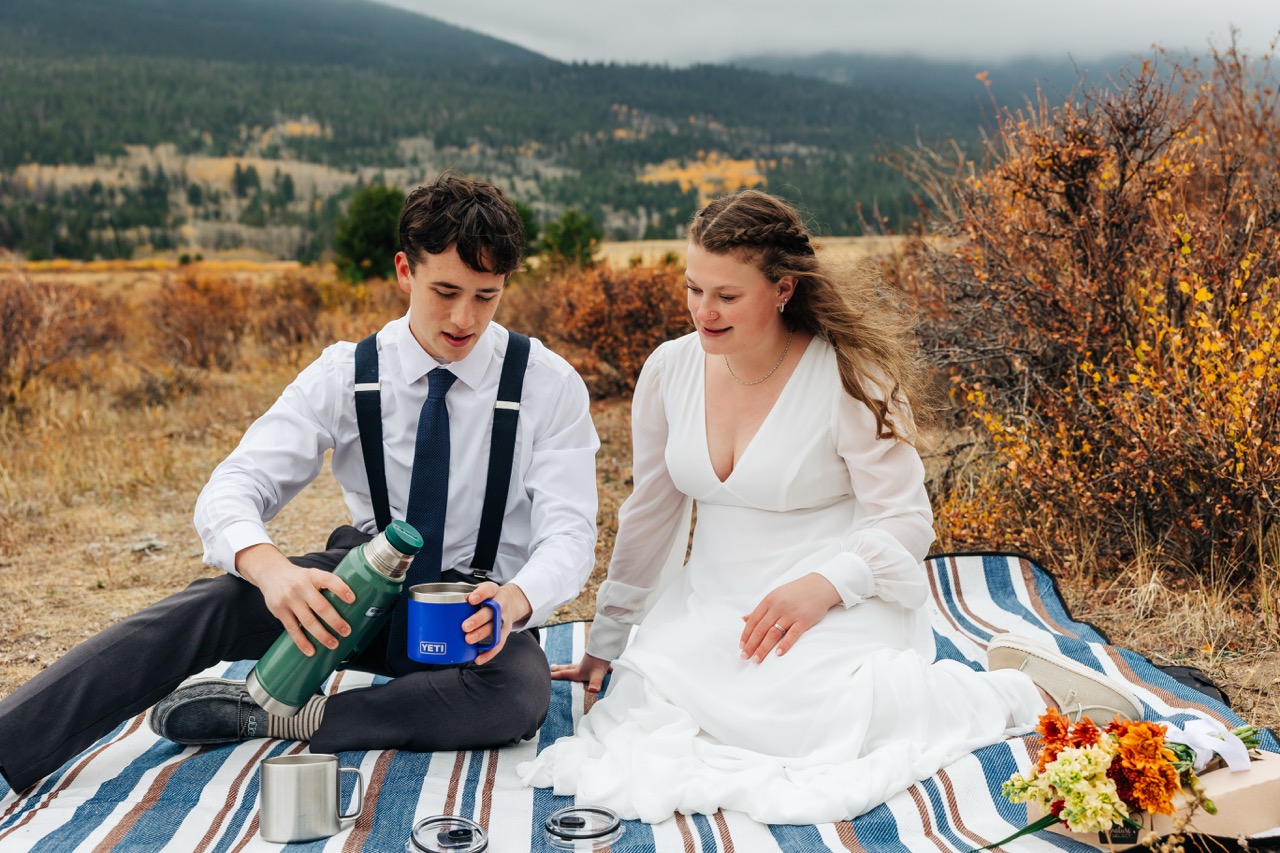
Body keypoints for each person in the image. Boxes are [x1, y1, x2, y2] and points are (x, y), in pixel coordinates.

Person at [517, 189, 1141, 825]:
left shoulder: (851, 375)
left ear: (783, 288)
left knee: (814, 720)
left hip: (836, 591)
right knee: (644, 710)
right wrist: (611, 638)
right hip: (713, 598)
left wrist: (825, 585)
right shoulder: (669, 370)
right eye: (693, 289)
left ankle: (1022, 691)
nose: (704, 311)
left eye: (727, 295)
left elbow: (905, 521)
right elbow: (650, 513)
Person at [0, 175, 599, 794]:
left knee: (519, 694)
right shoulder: (347, 372)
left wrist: (516, 601)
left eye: (486, 296)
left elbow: (571, 534)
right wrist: (271, 571)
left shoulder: (548, 385)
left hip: (474, 610)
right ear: (404, 270)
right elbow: (235, 483)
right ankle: (9, 745)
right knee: (205, 607)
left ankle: (286, 714)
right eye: (445, 291)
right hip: (363, 591)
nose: (462, 317)